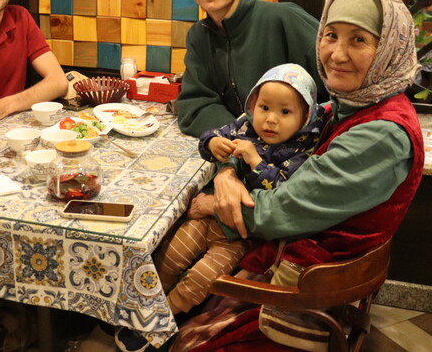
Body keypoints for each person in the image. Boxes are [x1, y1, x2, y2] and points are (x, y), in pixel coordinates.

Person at [170, 0, 425, 351]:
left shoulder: (381, 134)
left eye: (359, 40)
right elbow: (253, 136)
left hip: (307, 289)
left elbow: (278, 211)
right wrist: (227, 172)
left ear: (389, 47)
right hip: (295, 256)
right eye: (330, 35)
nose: (337, 54)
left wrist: (215, 203)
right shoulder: (350, 104)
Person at [114, 64, 327, 352]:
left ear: (305, 117)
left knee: (200, 280)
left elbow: (282, 192)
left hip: (238, 235)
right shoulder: (245, 125)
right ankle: (149, 311)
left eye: (285, 112)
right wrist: (213, 142)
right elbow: (210, 136)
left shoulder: (300, 150)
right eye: (264, 107)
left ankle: (167, 321)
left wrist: (256, 162)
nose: (271, 120)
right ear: (253, 105)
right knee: (170, 256)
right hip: (205, 220)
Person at [175, 0, 327, 137]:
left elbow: (339, 91)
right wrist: (243, 137)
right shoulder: (199, 36)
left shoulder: (284, 19)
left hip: (301, 155)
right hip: (243, 153)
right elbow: (196, 106)